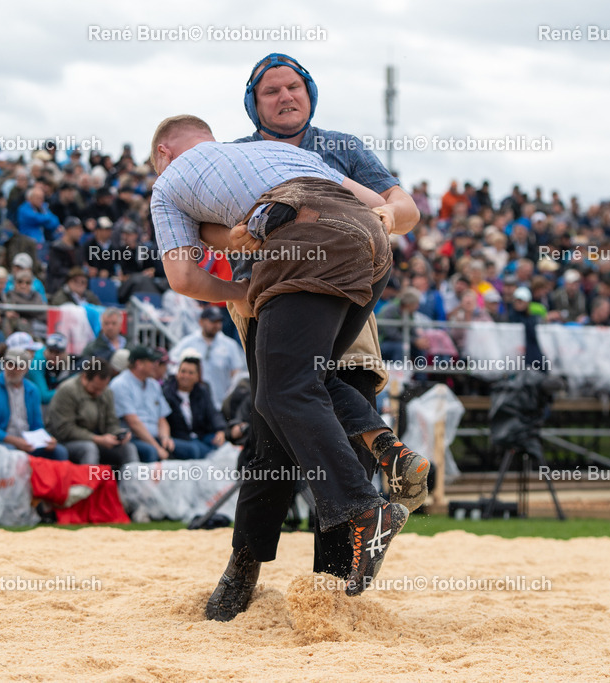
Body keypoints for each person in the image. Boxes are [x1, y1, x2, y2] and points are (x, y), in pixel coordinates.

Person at [150, 113, 424, 614]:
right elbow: (386, 208)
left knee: (280, 398)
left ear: (163, 153)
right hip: (369, 249)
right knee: (299, 391)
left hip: (298, 263)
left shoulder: (170, 180)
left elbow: (185, 277)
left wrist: (244, 289)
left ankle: (363, 511)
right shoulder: (291, 154)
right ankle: (387, 449)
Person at [0, 347, 68, 460]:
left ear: (26, 369)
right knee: (11, 453)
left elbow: (37, 425)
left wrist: (48, 439)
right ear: (4, 364)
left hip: (26, 441)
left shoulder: (32, 390)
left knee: (59, 452)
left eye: (19, 366)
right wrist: (16, 441)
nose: (13, 369)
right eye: (10, 364)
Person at [47, 359, 138, 468]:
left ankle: (134, 482)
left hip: (98, 440)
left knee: (128, 448)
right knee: (89, 448)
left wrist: (119, 434)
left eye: (102, 389)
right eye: (95, 388)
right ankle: (89, 484)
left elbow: (111, 422)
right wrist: (98, 439)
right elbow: (65, 429)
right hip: (66, 441)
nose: (99, 393)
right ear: (84, 378)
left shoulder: (106, 392)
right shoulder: (67, 390)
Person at [169, 306, 246, 411]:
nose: (217, 325)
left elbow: (236, 373)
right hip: (194, 404)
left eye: (219, 321)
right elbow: (172, 365)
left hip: (221, 403)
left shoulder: (229, 344)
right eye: (213, 321)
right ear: (201, 322)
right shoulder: (188, 342)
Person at [109, 345, 174, 463]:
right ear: (139, 364)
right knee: (151, 452)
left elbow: (162, 419)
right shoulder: (120, 384)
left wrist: (165, 438)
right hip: (133, 438)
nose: (156, 365)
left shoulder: (154, 384)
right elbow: (134, 423)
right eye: (152, 361)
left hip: (156, 437)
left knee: (190, 450)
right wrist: (157, 447)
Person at [161, 355, 227, 460]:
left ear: (197, 376)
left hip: (200, 435)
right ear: (177, 373)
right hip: (179, 437)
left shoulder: (202, 391)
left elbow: (213, 413)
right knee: (195, 450)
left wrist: (221, 430)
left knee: (221, 444)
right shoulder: (167, 392)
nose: (186, 376)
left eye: (191, 373)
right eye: (183, 371)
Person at [28, 333, 71, 405]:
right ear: (46, 350)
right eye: (51, 351)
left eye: (57, 352)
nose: (53, 355)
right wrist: (67, 390)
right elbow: (43, 397)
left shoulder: (66, 361)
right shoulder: (36, 364)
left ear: (64, 353)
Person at [46, 217, 85, 292]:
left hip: (76, 285)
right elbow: (56, 269)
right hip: (58, 286)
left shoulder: (78, 248)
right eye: (78, 229)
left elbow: (80, 266)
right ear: (69, 230)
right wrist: (73, 273)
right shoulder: (56, 248)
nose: (81, 232)